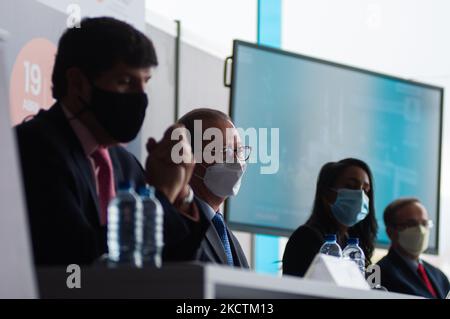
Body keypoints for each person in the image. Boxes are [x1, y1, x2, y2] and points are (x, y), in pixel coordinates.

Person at [15, 17, 204, 265]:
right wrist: (158, 200)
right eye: (125, 82)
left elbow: (174, 268)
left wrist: (181, 195)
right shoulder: (32, 148)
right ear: (78, 83)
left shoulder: (126, 164)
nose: (140, 97)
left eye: (144, 82)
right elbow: (76, 262)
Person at [177, 109, 250, 268]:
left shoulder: (228, 237)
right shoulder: (176, 229)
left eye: (239, 151)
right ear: (188, 158)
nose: (237, 162)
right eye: (224, 152)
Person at [282, 158, 378, 277]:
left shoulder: (353, 243)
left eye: (365, 190)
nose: (360, 195)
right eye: (350, 186)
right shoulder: (307, 237)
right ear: (327, 193)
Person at [377, 198, 450, 298]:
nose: (421, 230)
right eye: (411, 224)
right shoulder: (380, 274)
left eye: (424, 223)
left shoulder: (440, 277)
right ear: (390, 232)